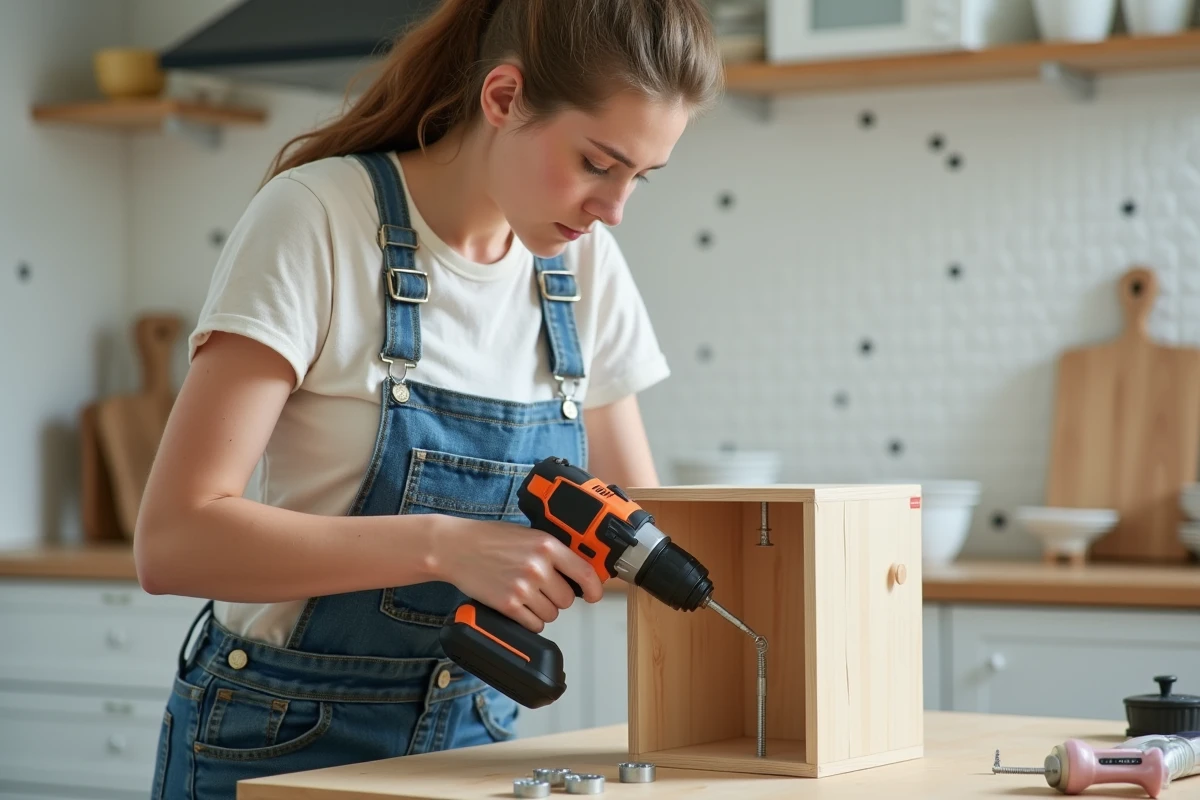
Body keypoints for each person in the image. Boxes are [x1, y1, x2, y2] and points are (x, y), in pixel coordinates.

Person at [134, 0, 723, 796]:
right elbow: (173, 542)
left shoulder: (584, 273)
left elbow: (637, 517)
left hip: (475, 742)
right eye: (596, 163)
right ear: (505, 98)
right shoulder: (316, 219)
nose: (612, 209)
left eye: (638, 178)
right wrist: (445, 546)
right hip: (279, 740)